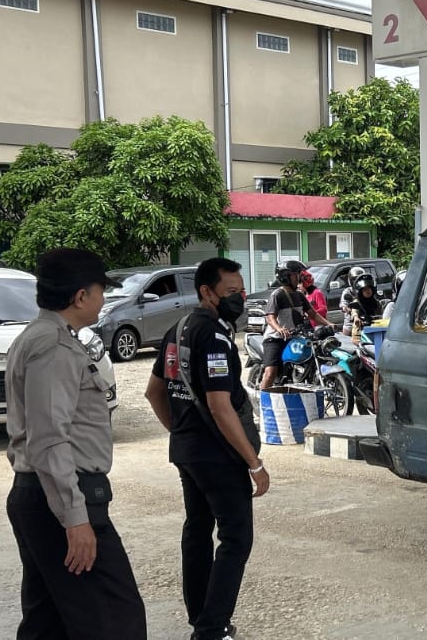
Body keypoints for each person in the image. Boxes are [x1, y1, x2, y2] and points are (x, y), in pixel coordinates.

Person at [6, 247, 147, 640]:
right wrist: (75, 517)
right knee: (116, 620)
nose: (103, 300)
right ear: (80, 296)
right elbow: (49, 439)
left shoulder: (41, 337)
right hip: (62, 498)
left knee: (49, 622)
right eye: (100, 291)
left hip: (43, 495)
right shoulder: (53, 346)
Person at [145, 257, 267, 640]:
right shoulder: (213, 336)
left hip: (188, 452)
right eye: (231, 292)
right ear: (206, 292)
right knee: (236, 538)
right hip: (218, 456)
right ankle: (212, 629)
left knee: (197, 531)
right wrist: (254, 463)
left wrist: (182, 432)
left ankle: (201, 618)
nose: (239, 298)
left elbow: (153, 392)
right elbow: (219, 405)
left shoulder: (177, 329)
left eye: (241, 291)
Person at [261, 260, 330, 390]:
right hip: (275, 339)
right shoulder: (277, 295)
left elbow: (313, 314)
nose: (298, 277)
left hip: (294, 338)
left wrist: (330, 324)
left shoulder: (299, 295)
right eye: (295, 274)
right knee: (271, 372)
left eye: (298, 274)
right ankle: (262, 398)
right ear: (284, 276)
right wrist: (279, 329)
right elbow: (270, 318)